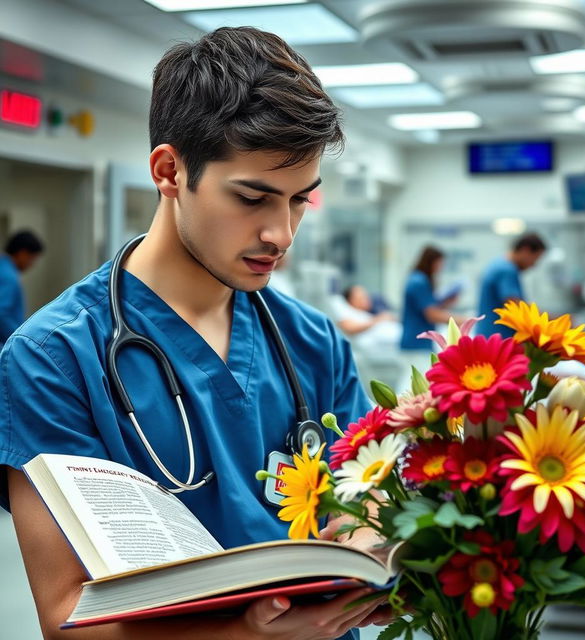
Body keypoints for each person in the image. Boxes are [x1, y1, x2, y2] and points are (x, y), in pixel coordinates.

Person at [0, 28, 391, 640]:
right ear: (169, 171)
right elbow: (67, 618)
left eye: (298, 202)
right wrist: (250, 635)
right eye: (253, 198)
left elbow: (362, 494)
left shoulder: (314, 342)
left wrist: (369, 552)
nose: (281, 234)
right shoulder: (52, 359)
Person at [399, 246, 463, 378]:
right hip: (416, 343)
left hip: (417, 342)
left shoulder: (417, 279)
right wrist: (461, 321)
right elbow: (431, 314)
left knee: (415, 382)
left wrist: (445, 303)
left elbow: (427, 307)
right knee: (414, 385)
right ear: (432, 262)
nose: (440, 267)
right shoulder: (419, 282)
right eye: (440, 263)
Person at [476, 232, 546, 337]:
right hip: (498, 337)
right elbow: (514, 305)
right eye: (535, 259)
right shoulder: (506, 270)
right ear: (525, 250)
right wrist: (549, 319)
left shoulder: (498, 264)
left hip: (489, 334)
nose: (533, 265)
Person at [0, 230, 44, 349]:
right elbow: (1, 313)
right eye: (32, 259)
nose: (31, 265)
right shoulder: (9, 277)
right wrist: (21, 340)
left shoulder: (3, 267)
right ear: (23, 253)